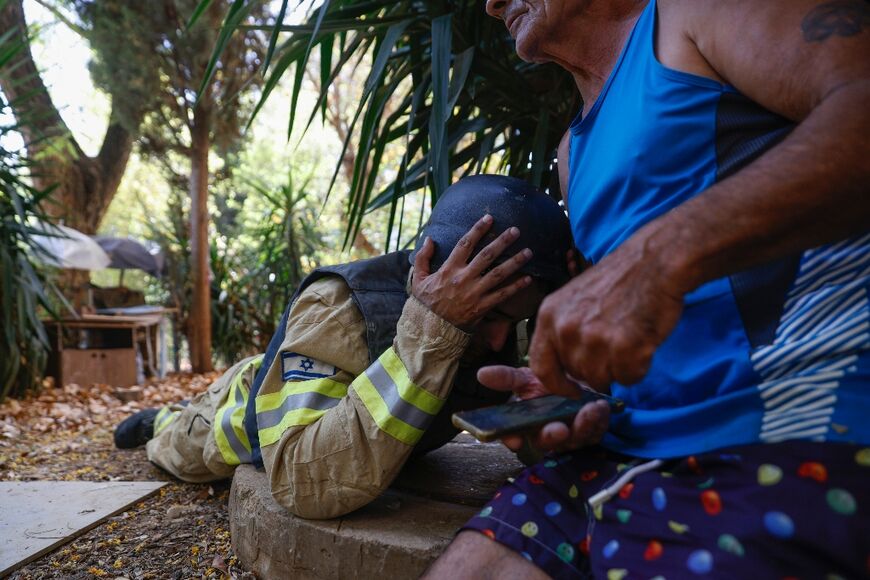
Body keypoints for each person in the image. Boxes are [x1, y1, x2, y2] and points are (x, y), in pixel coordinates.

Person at [425, 0, 869, 578]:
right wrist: (577, 392)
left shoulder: (701, 14)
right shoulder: (572, 153)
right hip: (623, 454)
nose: (489, 4)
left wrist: (663, 253)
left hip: (791, 431)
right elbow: (645, 315)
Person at [114, 174, 573, 519]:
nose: (499, 341)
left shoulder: (496, 314)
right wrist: (434, 331)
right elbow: (300, 481)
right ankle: (162, 419)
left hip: (316, 374)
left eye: (514, 320)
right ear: (429, 268)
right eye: (488, 317)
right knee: (184, 448)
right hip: (244, 414)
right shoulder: (338, 307)